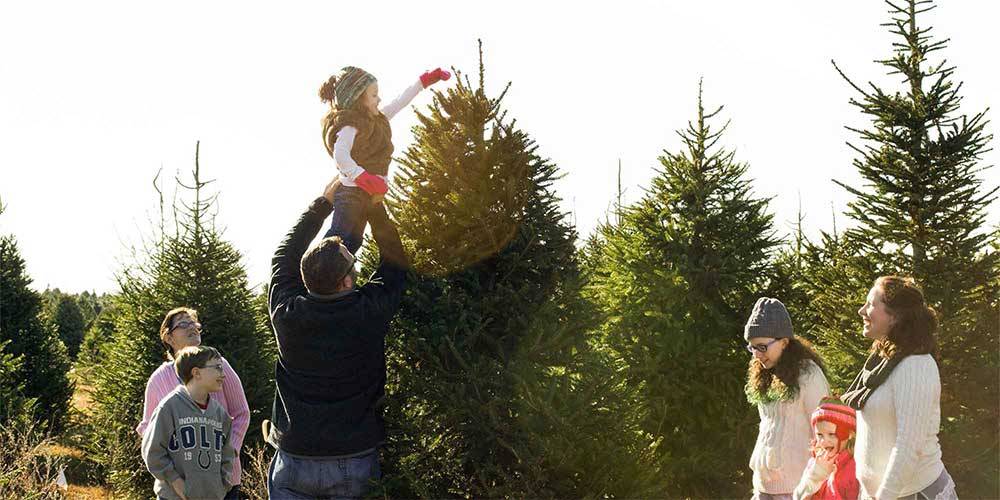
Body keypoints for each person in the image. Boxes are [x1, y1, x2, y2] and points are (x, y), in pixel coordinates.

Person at [266, 178, 409, 498]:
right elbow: (395, 263)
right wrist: (375, 209)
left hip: (294, 459)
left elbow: (282, 259)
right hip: (353, 461)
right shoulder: (367, 312)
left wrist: (322, 205)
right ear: (346, 282)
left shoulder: (287, 314)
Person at [844, 276, 956, 500]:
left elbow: (908, 446)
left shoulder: (915, 365)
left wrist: (884, 497)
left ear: (895, 317)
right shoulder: (884, 359)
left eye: (871, 304)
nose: (861, 311)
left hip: (912, 494)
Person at [318, 64, 450, 252]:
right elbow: (340, 155)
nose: (379, 99)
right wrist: (363, 177)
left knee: (354, 242)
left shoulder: (377, 119)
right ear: (357, 100)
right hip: (351, 194)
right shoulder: (350, 126)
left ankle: (339, 278)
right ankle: (320, 274)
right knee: (338, 237)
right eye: (373, 95)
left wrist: (423, 81)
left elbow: (400, 101)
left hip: (367, 194)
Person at [137, 307, 249, 500]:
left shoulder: (219, 367)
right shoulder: (159, 379)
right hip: (179, 485)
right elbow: (148, 428)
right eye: (183, 324)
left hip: (221, 482)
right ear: (168, 337)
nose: (192, 327)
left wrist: (229, 453)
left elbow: (241, 413)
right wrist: (172, 474)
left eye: (194, 323)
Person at [745, 297, 831, 500]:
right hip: (762, 488)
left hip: (797, 490)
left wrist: (812, 485)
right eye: (752, 347)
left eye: (762, 347)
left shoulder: (808, 375)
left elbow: (824, 432)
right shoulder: (764, 374)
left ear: (784, 342)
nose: (757, 354)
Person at [142, 346, 235, 500]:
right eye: (218, 368)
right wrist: (175, 481)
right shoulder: (169, 407)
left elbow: (227, 454)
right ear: (196, 372)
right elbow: (153, 452)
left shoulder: (220, 415)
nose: (223, 374)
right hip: (173, 497)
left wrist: (222, 486)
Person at [793, 396, 860, 500]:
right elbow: (798, 497)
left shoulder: (855, 468)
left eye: (831, 434)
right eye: (819, 435)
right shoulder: (814, 463)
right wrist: (815, 476)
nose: (824, 441)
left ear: (850, 434)